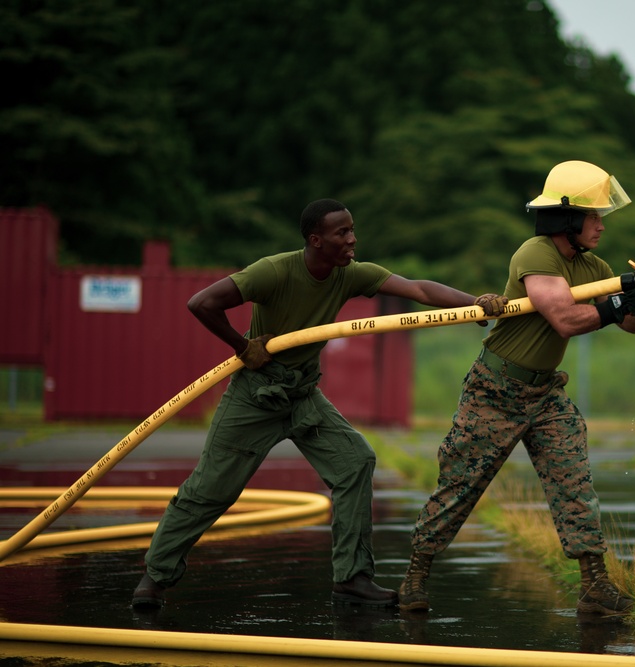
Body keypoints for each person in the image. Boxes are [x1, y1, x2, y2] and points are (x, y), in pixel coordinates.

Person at [131, 198, 507, 609]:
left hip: (303, 394)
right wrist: (244, 347)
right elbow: (201, 303)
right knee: (211, 490)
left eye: (351, 230)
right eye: (342, 232)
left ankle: (352, 579)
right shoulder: (273, 271)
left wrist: (474, 302)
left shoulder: (347, 274)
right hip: (256, 395)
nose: (352, 239)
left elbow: (417, 289)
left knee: (355, 461)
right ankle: (154, 579)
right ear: (315, 240)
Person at [398, 160, 635, 615]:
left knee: (574, 482)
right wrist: (622, 303)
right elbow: (565, 318)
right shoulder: (535, 255)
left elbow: (628, 323)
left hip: (545, 394)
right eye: (593, 216)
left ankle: (594, 586)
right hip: (495, 389)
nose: (601, 225)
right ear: (567, 218)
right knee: (460, 485)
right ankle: (415, 577)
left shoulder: (592, 266)